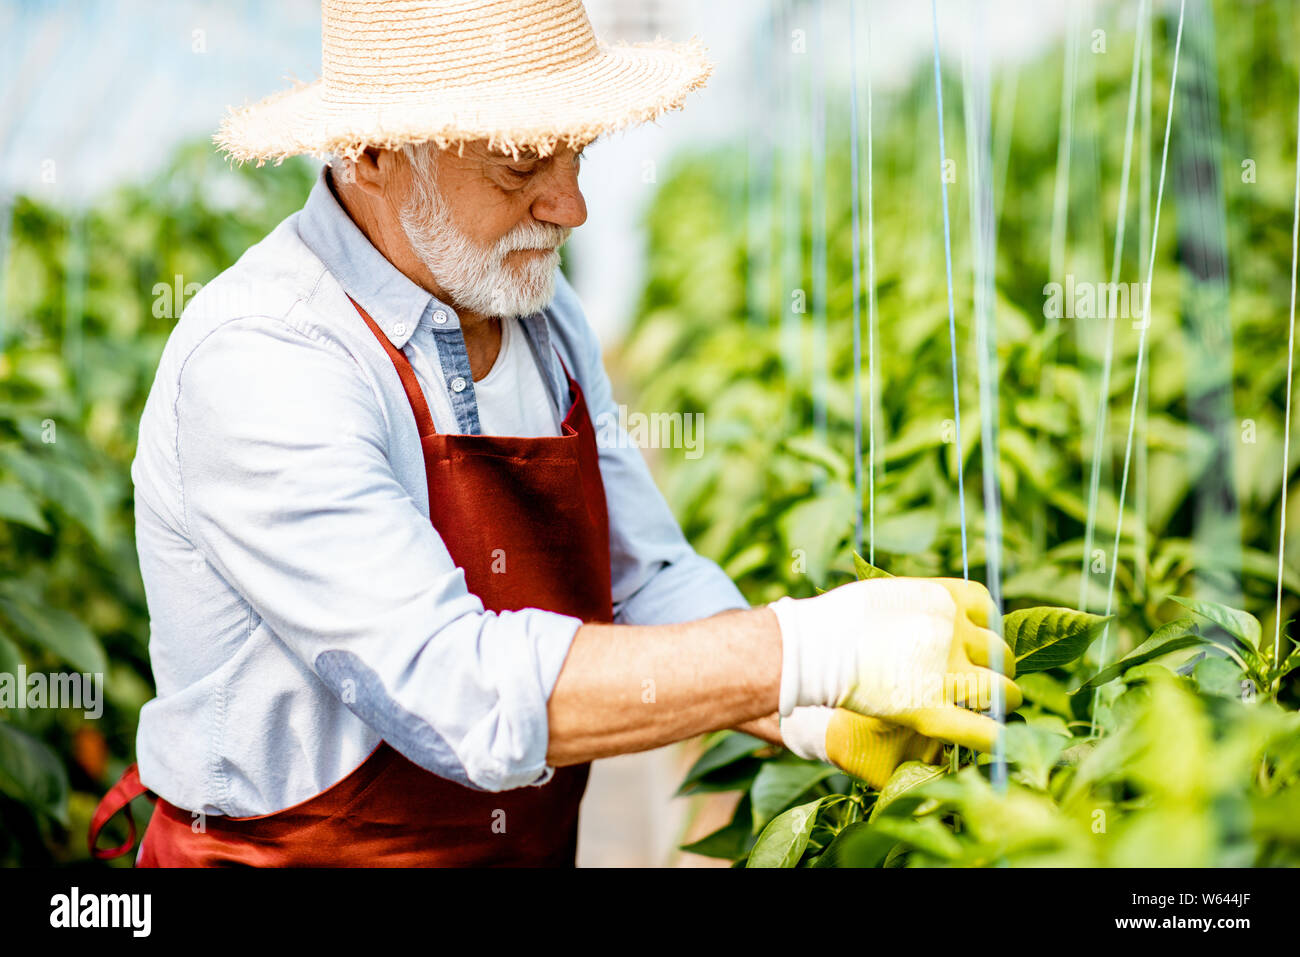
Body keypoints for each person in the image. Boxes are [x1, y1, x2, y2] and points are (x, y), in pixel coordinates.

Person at [89, 0, 1019, 867]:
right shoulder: (268, 359)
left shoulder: (533, 306)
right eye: (520, 165)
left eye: (577, 154)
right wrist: (810, 648)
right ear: (371, 152)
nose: (570, 206)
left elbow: (640, 575)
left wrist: (811, 709)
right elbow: (453, 687)